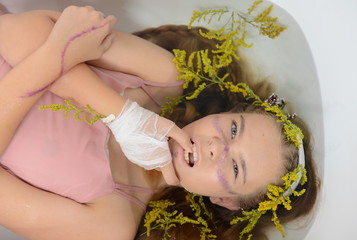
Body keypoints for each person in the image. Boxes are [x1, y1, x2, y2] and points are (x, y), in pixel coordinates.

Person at [0, 4, 319, 240]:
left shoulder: (110, 223)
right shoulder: (162, 79)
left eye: (235, 167)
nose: (216, 146)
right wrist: (121, 113)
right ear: (225, 112)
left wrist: (59, 52)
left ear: (226, 201)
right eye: (234, 129)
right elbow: (12, 32)